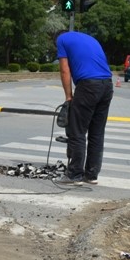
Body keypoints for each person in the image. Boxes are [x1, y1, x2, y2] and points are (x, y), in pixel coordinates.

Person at [52, 31, 113, 186]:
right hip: (107, 85)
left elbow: (64, 70)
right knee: (97, 133)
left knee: (77, 131)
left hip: (88, 85)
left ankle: (74, 174)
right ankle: (91, 175)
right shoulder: (89, 38)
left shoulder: (61, 40)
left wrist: (68, 96)